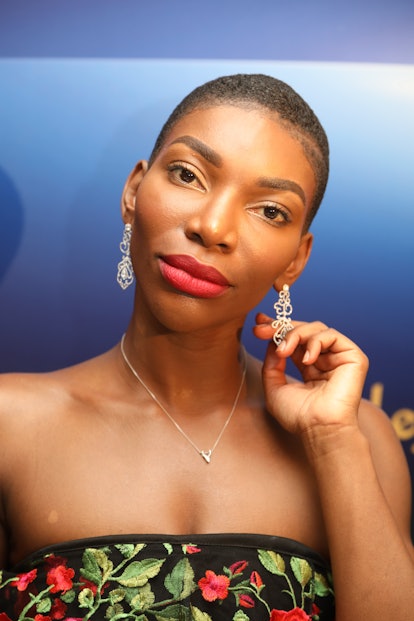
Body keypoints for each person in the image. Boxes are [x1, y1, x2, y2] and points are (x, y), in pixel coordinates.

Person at [0, 73, 412, 621]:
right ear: (133, 191)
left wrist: (333, 442)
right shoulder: (11, 425)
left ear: (296, 258)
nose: (213, 227)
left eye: (270, 211)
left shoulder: (361, 439)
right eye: (188, 175)